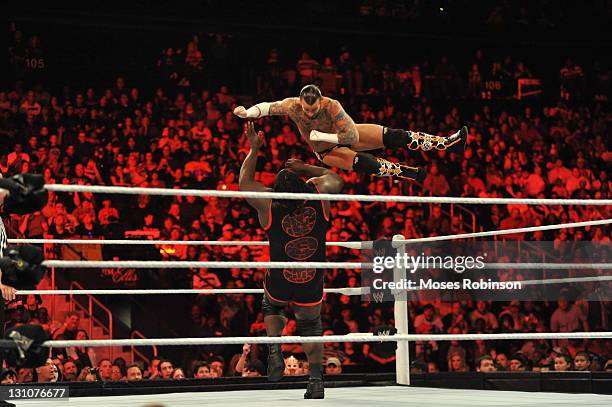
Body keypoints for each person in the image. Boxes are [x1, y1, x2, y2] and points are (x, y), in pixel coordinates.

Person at [239, 122, 343, 399]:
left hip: (281, 276)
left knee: (271, 303)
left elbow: (244, 183)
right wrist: (305, 168)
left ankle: (275, 347)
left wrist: (254, 149)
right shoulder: (319, 197)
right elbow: (336, 178)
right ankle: (316, 379)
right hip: (311, 277)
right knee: (310, 326)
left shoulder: (269, 203)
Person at [234, 84, 467, 181]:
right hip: (327, 152)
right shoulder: (292, 105)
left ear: (321, 101)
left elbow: (351, 137)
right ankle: (411, 173)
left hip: (344, 137)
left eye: (314, 109)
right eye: (307, 109)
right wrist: (249, 113)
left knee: (393, 135)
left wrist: (323, 135)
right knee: (366, 163)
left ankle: (449, 143)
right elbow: (267, 107)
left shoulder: (332, 105)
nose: (311, 114)